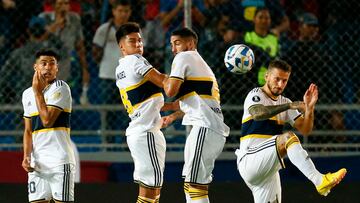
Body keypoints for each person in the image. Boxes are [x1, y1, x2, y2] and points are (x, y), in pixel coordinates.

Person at [235, 59, 347, 203]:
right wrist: (289, 106)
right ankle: (319, 180)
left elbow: (305, 129)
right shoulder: (256, 94)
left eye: (284, 81)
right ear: (266, 76)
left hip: (267, 169)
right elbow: (258, 113)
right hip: (250, 159)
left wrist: (310, 108)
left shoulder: (285, 102)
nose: (280, 84)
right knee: (288, 137)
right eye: (277, 79)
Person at [161, 27, 230, 203]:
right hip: (207, 128)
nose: (173, 49)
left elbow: (170, 90)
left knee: (195, 185)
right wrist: (170, 114)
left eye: (177, 43)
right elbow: (188, 102)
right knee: (191, 184)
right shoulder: (199, 64)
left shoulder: (184, 57)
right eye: (171, 44)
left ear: (190, 43)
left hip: (205, 127)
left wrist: (156, 77)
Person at [115, 22, 167, 203]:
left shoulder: (120, 68)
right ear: (121, 46)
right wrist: (186, 76)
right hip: (146, 133)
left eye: (140, 41)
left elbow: (146, 102)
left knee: (150, 193)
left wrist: (176, 107)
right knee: (150, 192)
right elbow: (163, 81)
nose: (138, 45)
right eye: (132, 41)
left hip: (141, 131)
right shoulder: (135, 61)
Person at [21, 49, 76, 202]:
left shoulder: (61, 88)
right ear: (35, 67)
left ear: (57, 68)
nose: (48, 67)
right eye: (43, 63)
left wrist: (38, 93)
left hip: (60, 161)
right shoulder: (27, 94)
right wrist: (26, 156)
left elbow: (47, 121)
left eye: (52, 64)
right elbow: (28, 130)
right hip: (37, 164)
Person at [0, 16, 68, 104]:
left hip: (25, 100)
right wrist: (51, 34)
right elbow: (65, 53)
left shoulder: (19, 52)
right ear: (45, 31)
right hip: (48, 101)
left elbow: (4, 76)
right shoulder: (53, 52)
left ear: (28, 31)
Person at [39, 0, 90, 105]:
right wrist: (56, 25)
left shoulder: (74, 19)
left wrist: (84, 67)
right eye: (60, 4)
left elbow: (79, 44)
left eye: (66, 3)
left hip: (67, 60)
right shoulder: (44, 17)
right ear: (54, 6)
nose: (64, 7)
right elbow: (38, 39)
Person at [92, 0, 131, 104]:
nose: (123, 14)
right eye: (120, 11)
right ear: (114, 11)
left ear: (130, 12)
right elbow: (95, 50)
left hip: (128, 76)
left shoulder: (135, 30)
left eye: (126, 11)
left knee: (127, 111)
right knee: (106, 110)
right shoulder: (104, 29)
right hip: (107, 75)